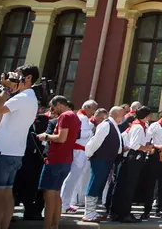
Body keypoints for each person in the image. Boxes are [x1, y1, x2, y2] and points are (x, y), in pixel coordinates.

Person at [0, 65, 40, 229]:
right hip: (14, 151)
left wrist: (5, 90)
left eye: (17, 76)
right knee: (7, 192)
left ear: (28, 78)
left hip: (3, 150)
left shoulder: (21, 97)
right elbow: (1, 118)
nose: (14, 79)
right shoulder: (30, 96)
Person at [37, 95, 81, 229]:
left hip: (56, 159)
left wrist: (44, 136)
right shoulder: (75, 116)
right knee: (56, 192)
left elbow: (61, 138)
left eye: (52, 107)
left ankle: (48, 225)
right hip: (66, 160)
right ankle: (54, 225)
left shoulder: (65, 116)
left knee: (49, 193)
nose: (52, 111)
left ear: (58, 105)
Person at [82, 106, 125, 222]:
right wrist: (90, 154)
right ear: (116, 114)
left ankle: (92, 211)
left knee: (99, 184)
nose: (124, 117)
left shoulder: (112, 125)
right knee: (94, 183)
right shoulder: (106, 125)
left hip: (106, 160)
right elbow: (96, 141)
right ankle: (88, 213)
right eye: (122, 114)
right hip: (100, 159)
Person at [111, 106, 152, 223]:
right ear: (146, 116)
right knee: (129, 187)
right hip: (134, 157)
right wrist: (147, 148)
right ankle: (124, 213)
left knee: (124, 185)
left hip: (130, 158)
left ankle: (117, 211)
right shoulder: (138, 127)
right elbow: (134, 145)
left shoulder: (138, 125)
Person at [61, 99, 97, 213]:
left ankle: (66, 203)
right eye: (93, 109)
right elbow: (77, 134)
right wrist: (91, 132)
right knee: (71, 178)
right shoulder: (81, 118)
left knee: (74, 178)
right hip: (78, 152)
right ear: (88, 107)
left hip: (80, 151)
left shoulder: (83, 117)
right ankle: (64, 204)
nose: (93, 112)